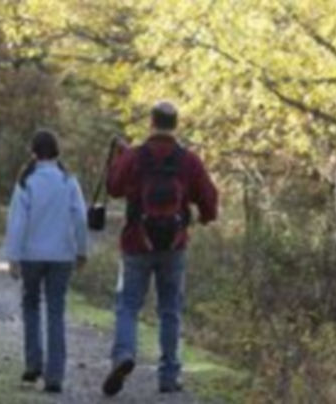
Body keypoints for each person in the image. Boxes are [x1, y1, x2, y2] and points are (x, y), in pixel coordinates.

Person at [101, 102, 218, 396]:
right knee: (170, 311)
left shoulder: (135, 156)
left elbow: (113, 187)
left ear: (152, 123)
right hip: (175, 245)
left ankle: (124, 355)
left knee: (128, 305)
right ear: (175, 125)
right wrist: (203, 217)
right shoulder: (188, 160)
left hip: (135, 243)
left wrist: (120, 157)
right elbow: (210, 199)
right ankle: (168, 375)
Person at [4, 129, 88, 394]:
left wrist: (13, 256)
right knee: (56, 311)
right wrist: (82, 251)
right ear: (57, 152)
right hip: (61, 256)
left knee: (31, 306)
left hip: (31, 255)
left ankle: (33, 363)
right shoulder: (68, 181)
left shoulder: (27, 182)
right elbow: (81, 219)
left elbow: (17, 222)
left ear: (33, 153)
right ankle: (55, 376)